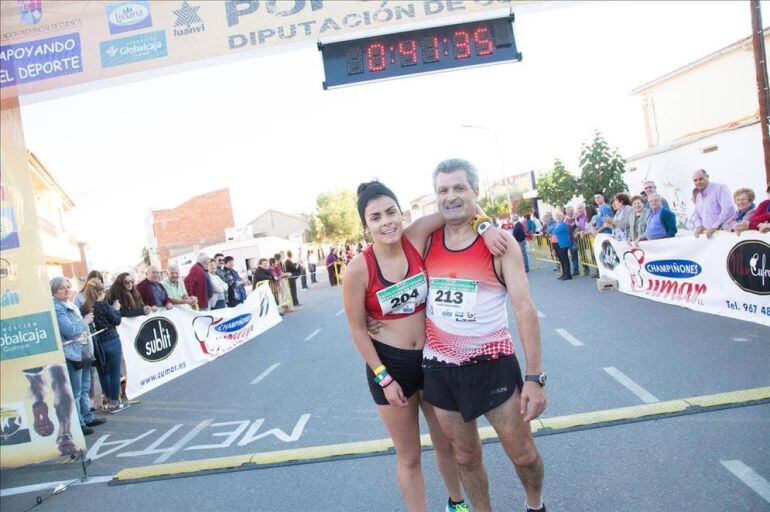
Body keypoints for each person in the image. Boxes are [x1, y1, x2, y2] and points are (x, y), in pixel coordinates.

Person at [344, 179, 507, 512]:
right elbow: (358, 330)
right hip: (390, 367)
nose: (386, 221)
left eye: (391, 212)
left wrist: (487, 227)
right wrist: (383, 378)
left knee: (446, 444)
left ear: (401, 213)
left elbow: (463, 205)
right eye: (376, 217)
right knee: (409, 456)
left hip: (432, 359)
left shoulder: (416, 236)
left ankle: (457, 504)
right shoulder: (358, 268)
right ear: (366, 225)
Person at [420, 159, 546, 512]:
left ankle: (535, 504)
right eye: (443, 190)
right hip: (441, 370)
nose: (451, 196)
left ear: (475, 191)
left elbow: (524, 308)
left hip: (492, 365)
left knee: (523, 455)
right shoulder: (427, 243)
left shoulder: (500, 243)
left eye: (459, 188)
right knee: (466, 456)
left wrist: (534, 379)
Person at [51, 277, 106, 435]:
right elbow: (71, 331)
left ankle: (87, 416)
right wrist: (84, 321)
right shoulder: (57, 307)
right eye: (62, 288)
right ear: (54, 291)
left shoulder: (70, 304)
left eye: (68, 286)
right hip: (72, 354)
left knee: (84, 388)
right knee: (76, 391)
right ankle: (79, 424)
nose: (67, 289)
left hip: (83, 351)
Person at [80, 278, 127, 413]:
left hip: (95, 344)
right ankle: (114, 401)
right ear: (100, 292)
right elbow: (116, 320)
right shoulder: (103, 305)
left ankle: (108, 398)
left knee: (103, 372)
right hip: (111, 340)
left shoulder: (83, 308)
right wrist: (116, 309)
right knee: (114, 371)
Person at [691, 169, 736, 238]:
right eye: (695, 180)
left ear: (707, 177)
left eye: (700, 179)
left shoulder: (720, 188)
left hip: (724, 234)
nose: (698, 182)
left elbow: (728, 209)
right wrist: (699, 226)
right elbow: (696, 215)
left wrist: (715, 227)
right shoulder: (698, 196)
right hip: (708, 237)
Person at [550, 211, 572, 281]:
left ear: (563, 216)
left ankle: (568, 274)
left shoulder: (563, 224)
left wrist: (552, 229)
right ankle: (564, 274)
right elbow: (548, 230)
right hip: (557, 244)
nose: (558, 217)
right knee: (561, 260)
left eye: (560, 216)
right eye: (557, 216)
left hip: (563, 244)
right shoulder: (557, 224)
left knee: (565, 260)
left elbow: (554, 231)